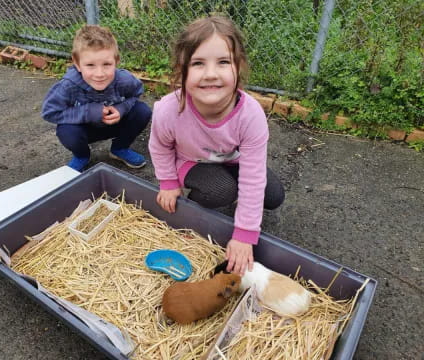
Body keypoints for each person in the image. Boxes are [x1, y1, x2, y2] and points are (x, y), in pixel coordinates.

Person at [148, 16, 285, 276]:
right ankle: (196, 211)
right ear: (182, 69)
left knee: (273, 194)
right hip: (191, 162)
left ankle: (239, 207)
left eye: (223, 62)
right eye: (198, 63)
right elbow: (159, 146)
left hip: (231, 160)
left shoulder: (251, 115)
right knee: (221, 191)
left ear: (239, 66)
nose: (211, 74)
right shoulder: (168, 110)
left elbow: (253, 176)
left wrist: (244, 234)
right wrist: (168, 182)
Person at [42, 25, 151, 171]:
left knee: (142, 111)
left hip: (115, 124)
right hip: (85, 130)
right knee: (66, 131)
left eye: (106, 64)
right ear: (77, 63)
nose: (99, 74)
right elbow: (49, 112)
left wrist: (121, 109)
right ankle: (82, 156)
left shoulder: (124, 80)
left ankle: (119, 148)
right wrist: (88, 112)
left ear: (116, 61)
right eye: (90, 65)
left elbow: (137, 92)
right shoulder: (68, 86)